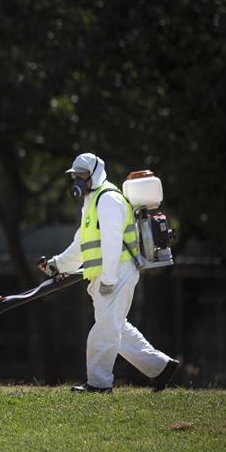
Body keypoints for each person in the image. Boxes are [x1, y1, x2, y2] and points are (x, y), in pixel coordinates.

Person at [39, 153, 180, 393]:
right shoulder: (92, 201)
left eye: (81, 175)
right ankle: (162, 367)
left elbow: (113, 242)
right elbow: (82, 244)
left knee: (102, 333)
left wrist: (108, 279)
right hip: (106, 277)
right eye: (75, 176)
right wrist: (57, 265)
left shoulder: (108, 199)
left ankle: (99, 384)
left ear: (93, 174)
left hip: (116, 275)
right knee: (117, 330)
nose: (77, 180)